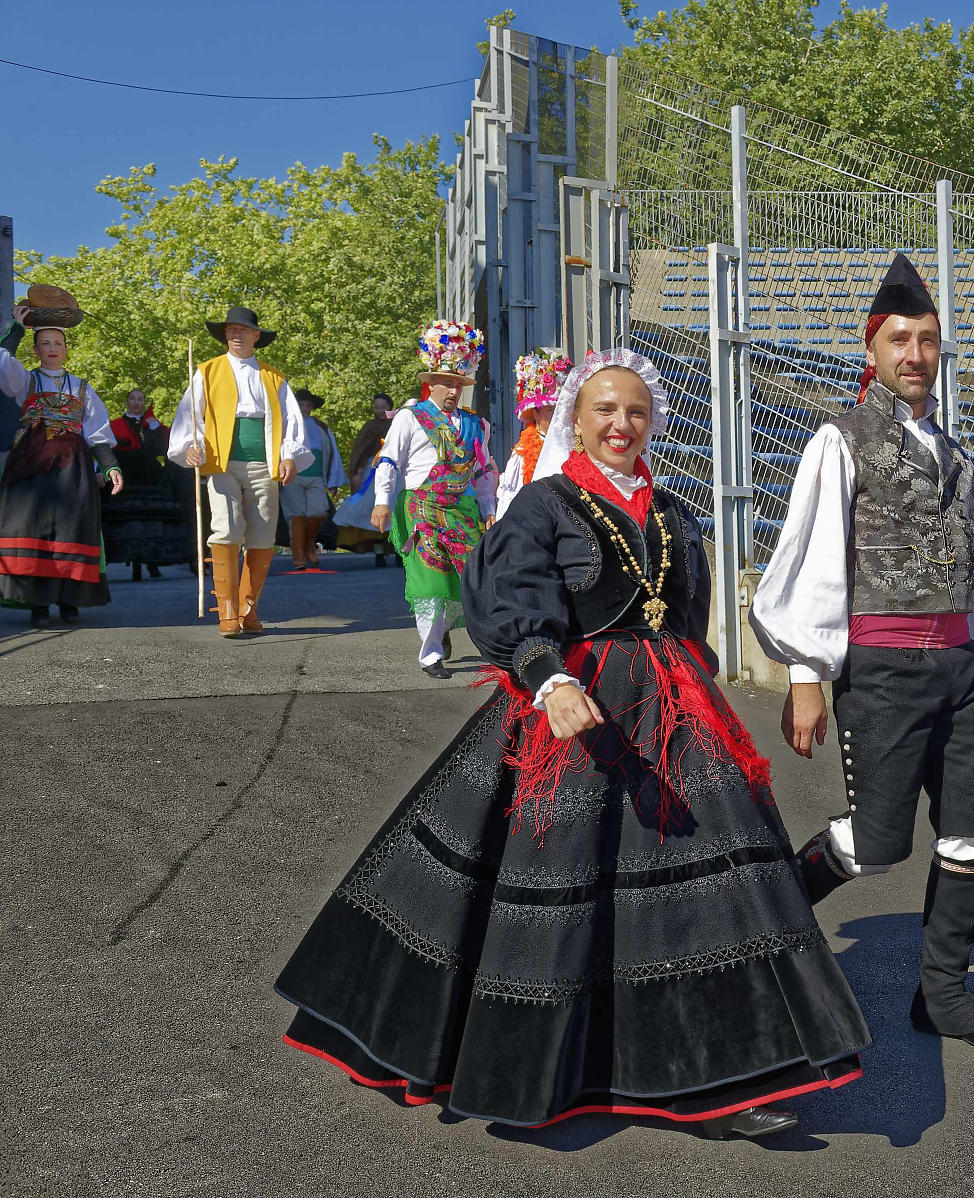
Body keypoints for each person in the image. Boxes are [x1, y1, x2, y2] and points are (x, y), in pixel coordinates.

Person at [274, 346, 869, 1138]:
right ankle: (536, 1070)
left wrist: (701, 695)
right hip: (573, 708)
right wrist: (549, 679)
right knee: (553, 883)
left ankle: (717, 1082)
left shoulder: (673, 513)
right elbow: (511, 601)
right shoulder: (544, 506)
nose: (622, 423)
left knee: (710, 889)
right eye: (605, 410)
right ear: (576, 422)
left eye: (636, 411)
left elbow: (688, 619)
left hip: (676, 717)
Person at [750, 253, 974, 1056]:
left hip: (961, 670)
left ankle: (941, 995)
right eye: (899, 339)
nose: (914, 354)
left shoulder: (958, 455)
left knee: (973, 834)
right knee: (875, 845)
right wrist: (807, 674)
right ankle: (763, 930)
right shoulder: (838, 440)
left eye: (928, 340)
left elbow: (971, 563)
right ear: (871, 349)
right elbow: (812, 556)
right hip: (882, 668)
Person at [168, 306, 312, 638]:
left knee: (262, 537)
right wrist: (190, 446)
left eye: (243, 330)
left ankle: (249, 608)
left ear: (256, 336)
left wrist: (288, 456)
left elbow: (291, 421)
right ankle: (228, 610)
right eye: (231, 330)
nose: (236, 335)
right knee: (227, 529)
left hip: (264, 464)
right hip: (221, 463)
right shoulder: (206, 372)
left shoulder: (273, 378)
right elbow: (191, 416)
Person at [372, 321, 498, 678]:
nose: (453, 391)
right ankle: (430, 655)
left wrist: (488, 510)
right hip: (422, 506)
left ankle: (443, 632)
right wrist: (382, 501)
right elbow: (389, 461)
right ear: (430, 383)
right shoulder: (411, 417)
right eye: (447, 383)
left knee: (467, 578)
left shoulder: (478, 425)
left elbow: (484, 471)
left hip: (461, 508)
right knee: (429, 578)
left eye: (458, 384)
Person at [0, 295, 123, 626]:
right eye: (44, 343)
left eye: (57, 342)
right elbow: (0, 362)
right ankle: (38, 604)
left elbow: (97, 433)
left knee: (72, 530)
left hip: (73, 471)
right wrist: (15, 330)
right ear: (36, 350)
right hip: (31, 469)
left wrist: (110, 467)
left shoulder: (83, 388)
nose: (52, 348)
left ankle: (70, 601)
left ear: (66, 349)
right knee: (34, 529)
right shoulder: (25, 381)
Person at [104, 389, 188, 581]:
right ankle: (131, 561)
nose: (136, 402)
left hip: (150, 474)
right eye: (132, 398)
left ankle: (152, 562)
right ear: (126, 402)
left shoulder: (152, 424)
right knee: (128, 518)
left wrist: (154, 429)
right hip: (125, 476)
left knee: (153, 518)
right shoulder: (115, 425)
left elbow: (161, 449)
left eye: (140, 399)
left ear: (144, 402)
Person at [495, 347, 570, 519]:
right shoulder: (522, 455)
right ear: (535, 412)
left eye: (561, 408)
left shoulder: (576, 442)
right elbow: (509, 499)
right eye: (551, 409)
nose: (559, 415)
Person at [280, 389, 348, 570]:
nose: (304, 408)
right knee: (296, 515)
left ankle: (310, 543)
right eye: (301, 404)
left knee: (318, 512)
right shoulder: (286, 424)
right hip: (293, 476)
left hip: (316, 477)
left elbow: (332, 454)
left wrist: (333, 481)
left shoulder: (321, 427)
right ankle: (299, 557)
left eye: (308, 404)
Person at [336, 393, 395, 564]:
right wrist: (358, 472)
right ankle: (378, 552)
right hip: (373, 471)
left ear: (390, 407)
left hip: (396, 472)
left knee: (396, 508)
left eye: (383, 407)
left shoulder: (398, 424)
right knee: (371, 507)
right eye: (376, 407)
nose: (379, 410)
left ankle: (399, 552)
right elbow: (360, 451)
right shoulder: (370, 426)